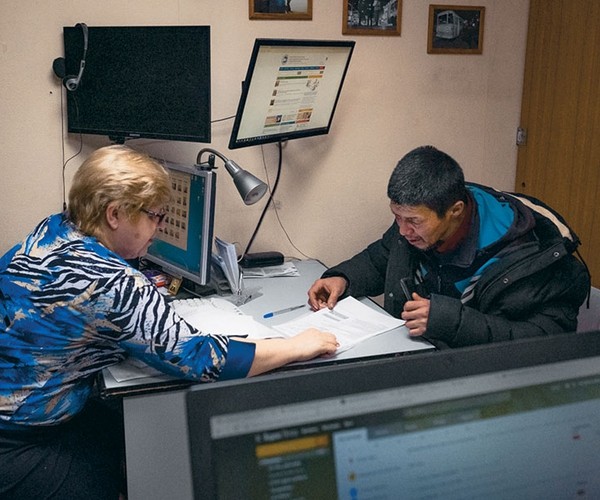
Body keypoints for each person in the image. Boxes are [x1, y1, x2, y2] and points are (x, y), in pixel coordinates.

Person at [0, 145, 338, 499]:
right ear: (114, 214)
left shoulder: (55, 228)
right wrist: (295, 346)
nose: (160, 228)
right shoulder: (113, 283)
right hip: (18, 440)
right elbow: (201, 359)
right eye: (154, 217)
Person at [308, 145, 590, 349]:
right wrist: (343, 278)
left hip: (484, 383)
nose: (403, 231)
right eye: (397, 218)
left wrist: (450, 322)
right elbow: (384, 256)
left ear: (455, 211)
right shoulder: (422, 217)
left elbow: (546, 342)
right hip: (415, 356)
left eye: (413, 221)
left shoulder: (531, 256)